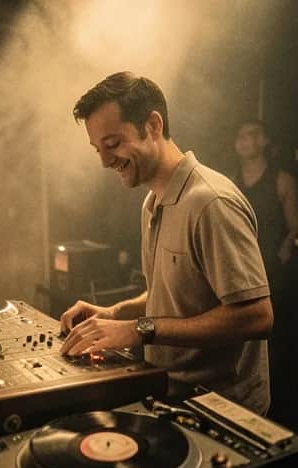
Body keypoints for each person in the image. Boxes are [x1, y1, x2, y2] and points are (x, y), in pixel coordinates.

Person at [60, 72, 274, 415]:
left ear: (153, 125)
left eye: (113, 144)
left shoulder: (210, 201)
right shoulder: (152, 202)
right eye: (98, 149)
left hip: (220, 409)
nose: (104, 161)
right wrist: (115, 314)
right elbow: (176, 294)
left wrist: (139, 329)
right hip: (172, 397)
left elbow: (256, 316)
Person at [233, 119, 298, 424]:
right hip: (240, 274)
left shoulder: (282, 180)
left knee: (274, 345)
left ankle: (278, 414)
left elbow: (296, 229)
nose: (243, 140)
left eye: (251, 135)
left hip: (273, 275)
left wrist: (283, 255)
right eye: (240, 136)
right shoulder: (231, 181)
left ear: (263, 141)